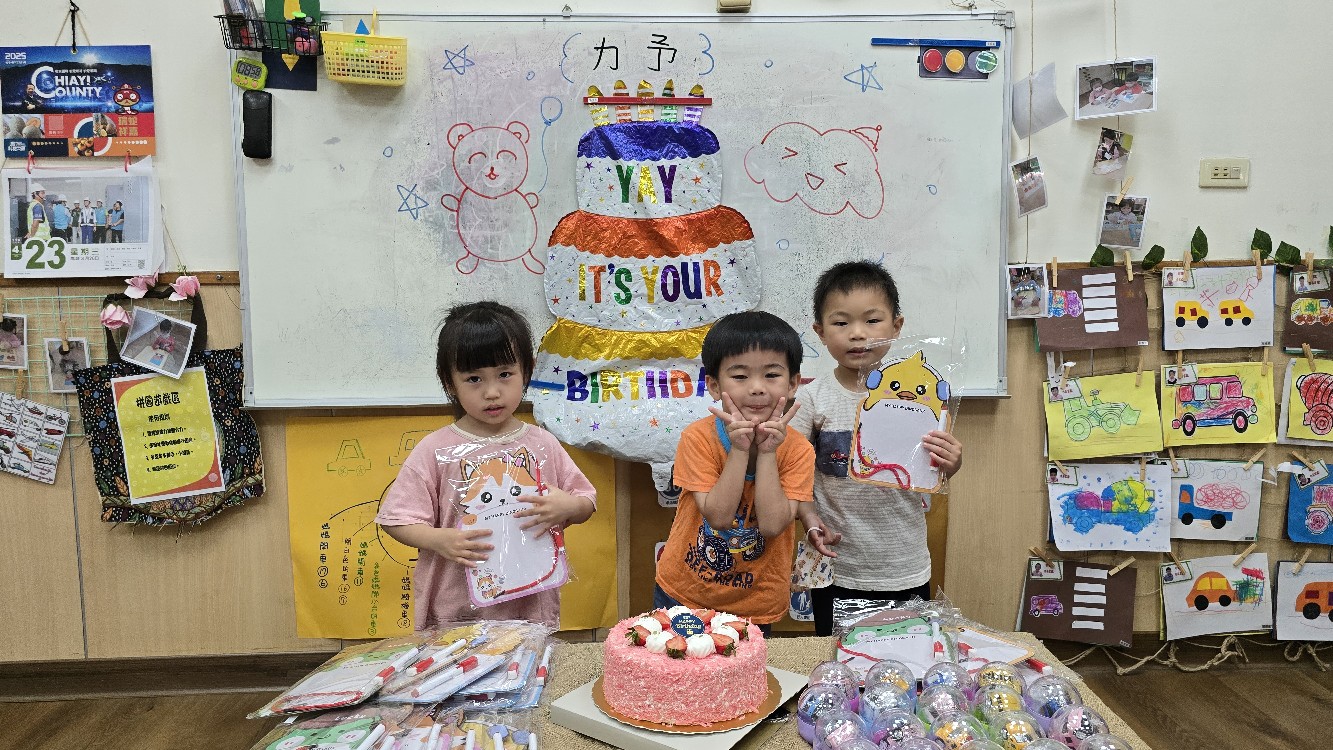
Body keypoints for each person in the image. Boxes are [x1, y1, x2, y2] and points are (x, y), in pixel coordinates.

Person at [375, 302, 596, 629]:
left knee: (527, 663)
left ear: (527, 372)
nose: (492, 392)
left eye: (505, 374)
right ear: (450, 383)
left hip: (529, 607)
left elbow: (586, 501)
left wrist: (569, 507)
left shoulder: (542, 444)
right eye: (474, 379)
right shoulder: (435, 450)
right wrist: (439, 540)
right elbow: (396, 519)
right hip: (454, 613)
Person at [790, 261, 964, 637]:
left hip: (904, 565)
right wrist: (808, 518)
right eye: (841, 323)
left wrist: (952, 461)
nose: (857, 334)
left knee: (904, 656)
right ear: (820, 332)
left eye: (872, 321)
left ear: (896, 327)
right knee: (837, 657)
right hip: (835, 564)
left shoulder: (920, 396)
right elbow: (793, 476)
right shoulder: (812, 398)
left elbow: (934, 470)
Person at [653, 311, 815, 634]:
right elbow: (719, 516)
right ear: (714, 385)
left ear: (793, 383)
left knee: (744, 669)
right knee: (678, 664)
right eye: (740, 376)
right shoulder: (698, 438)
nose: (757, 388)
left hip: (756, 602)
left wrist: (767, 452)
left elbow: (772, 525)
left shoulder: (799, 450)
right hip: (685, 592)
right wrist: (740, 450)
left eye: (772, 375)